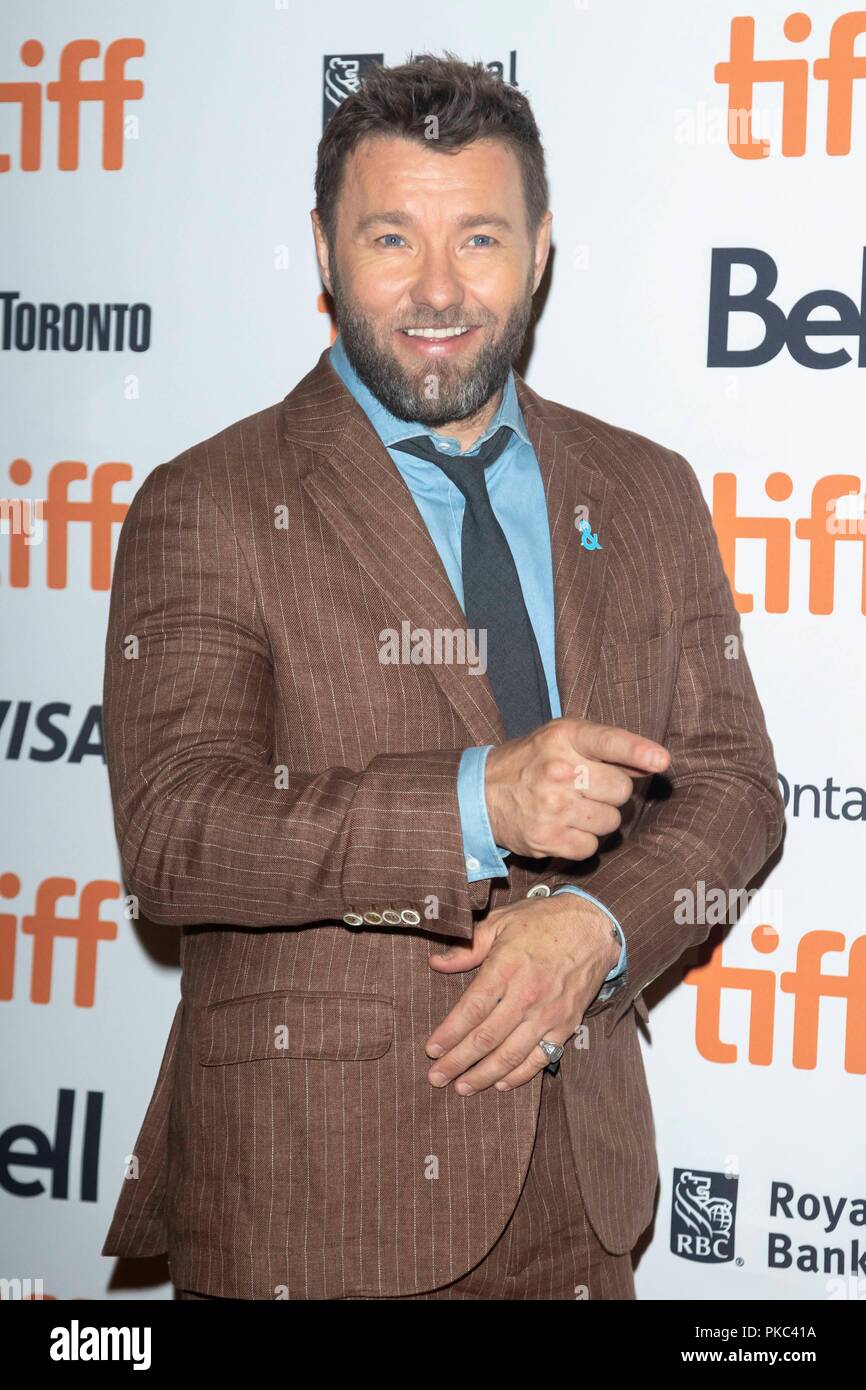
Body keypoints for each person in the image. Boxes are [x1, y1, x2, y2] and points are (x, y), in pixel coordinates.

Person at [100, 52, 784, 1301]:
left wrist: (599, 926)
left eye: (476, 236)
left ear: (539, 250)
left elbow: (735, 785)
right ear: (320, 250)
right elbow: (172, 834)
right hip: (317, 1205)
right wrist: (476, 799)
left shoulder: (644, 489)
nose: (433, 290)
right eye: (386, 237)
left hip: (582, 1198)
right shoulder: (209, 501)